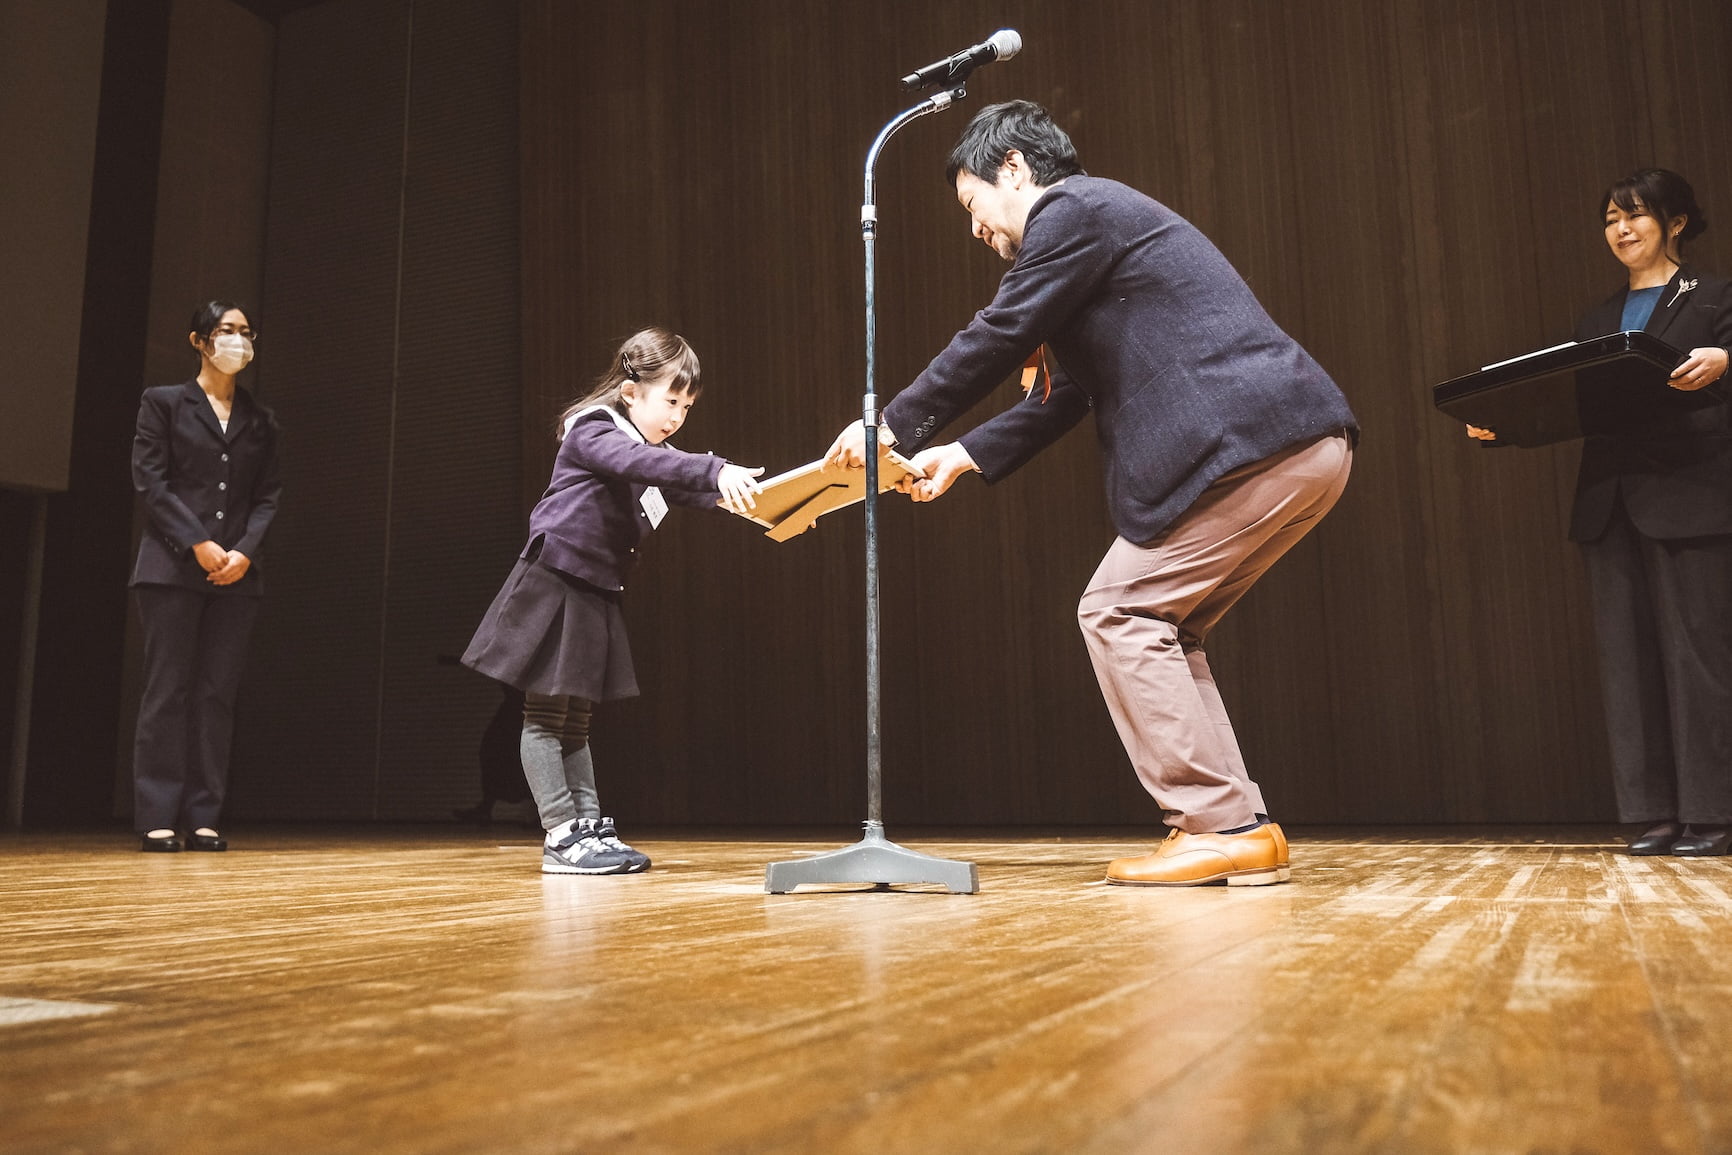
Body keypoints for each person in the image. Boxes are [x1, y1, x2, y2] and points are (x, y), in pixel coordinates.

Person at [827, 100, 1357, 887]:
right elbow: (1064, 394)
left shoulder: (1074, 209)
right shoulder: (1094, 241)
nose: (975, 231)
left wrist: (890, 424)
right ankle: (1242, 827)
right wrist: (962, 455)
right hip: (1294, 446)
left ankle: (1217, 823)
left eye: (973, 205)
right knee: (1162, 626)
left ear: (1014, 168)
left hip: (1250, 446)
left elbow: (998, 331)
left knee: (1119, 610)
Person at [1470, 169, 1732, 856]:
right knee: (1629, 663)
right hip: (1609, 503)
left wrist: (1726, 358)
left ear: (1675, 222)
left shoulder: (1715, 297)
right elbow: (1574, 407)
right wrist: (1507, 423)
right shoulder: (1597, 317)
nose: (1620, 228)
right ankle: (1657, 814)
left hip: (1689, 497)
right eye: (1611, 217)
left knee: (1699, 660)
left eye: (1636, 215)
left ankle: (1714, 813)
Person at [462, 327, 764, 874]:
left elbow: (691, 487)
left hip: (596, 586)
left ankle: (589, 828)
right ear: (631, 392)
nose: (677, 416)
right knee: (546, 715)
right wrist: (716, 467)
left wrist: (772, 499)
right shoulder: (594, 431)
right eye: (670, 399)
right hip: (556, 579)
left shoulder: (649, 453)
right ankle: (560, 833)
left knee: (576, 720)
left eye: (687, 406)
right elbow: (652, 467)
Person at [130, 301, 280, 852]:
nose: (238, 341)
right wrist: (198, 543)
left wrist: (242, 551)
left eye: (245, 332)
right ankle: (157, 816)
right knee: (166, 691)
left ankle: (204, 814)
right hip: (171, 568)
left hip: (237, 574)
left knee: (216, 696)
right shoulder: (164, 403)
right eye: (226, 331)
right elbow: (151, 482)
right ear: (199, 340)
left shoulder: (261, 418)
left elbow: (267, 496)